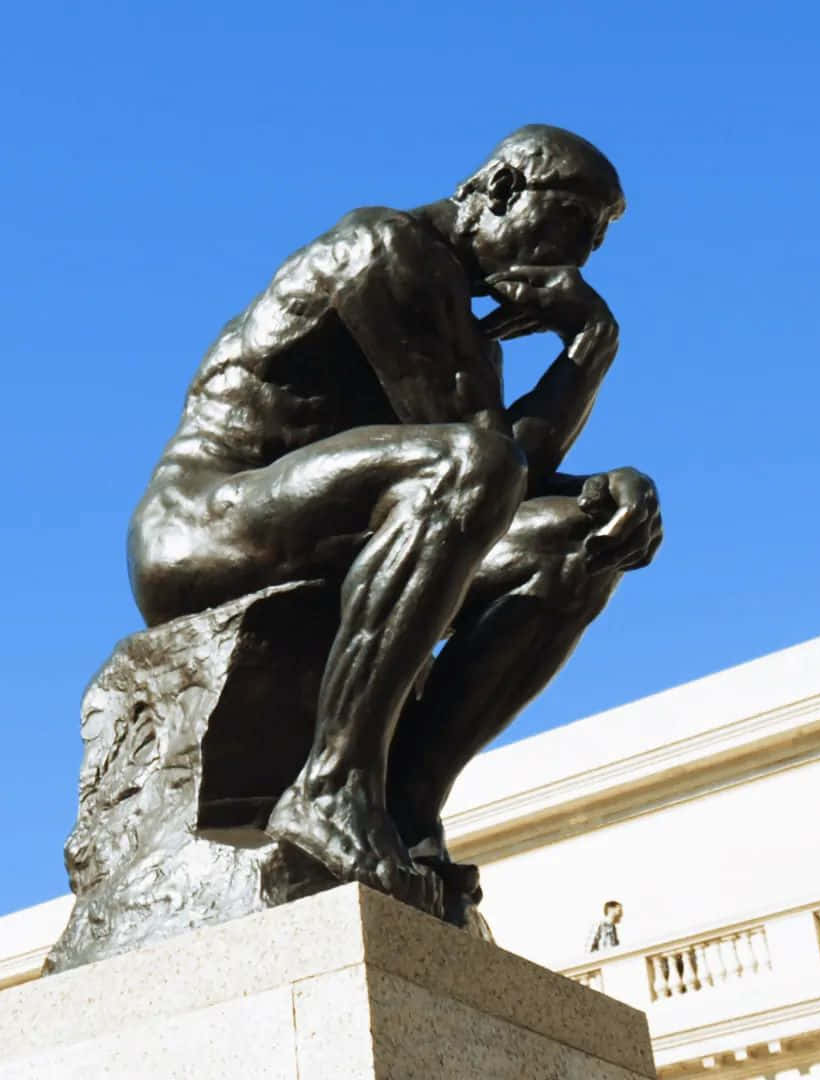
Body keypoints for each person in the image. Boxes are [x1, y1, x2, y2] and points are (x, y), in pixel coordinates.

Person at [128, 126, 663, 924]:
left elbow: (503, 476)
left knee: (580, 545)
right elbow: (482, 458)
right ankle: (332, 785)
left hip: (338, 526)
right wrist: (585, 353)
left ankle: (405, 811)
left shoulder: (459, 319)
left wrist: (602, 494)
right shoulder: (387, 248)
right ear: (502, 189)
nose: (572, 265)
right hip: (205, 525)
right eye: (567, 230)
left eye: (589, 246)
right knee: (469, 464)